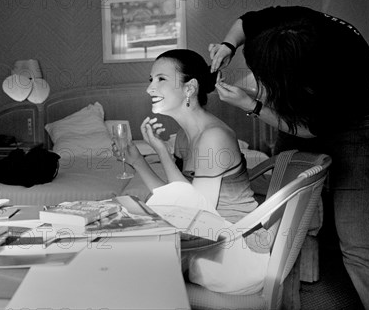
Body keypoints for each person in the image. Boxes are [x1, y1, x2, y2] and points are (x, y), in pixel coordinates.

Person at [209, 5, 369, 308]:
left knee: (357, 240)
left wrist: (254, 106)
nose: (264, 89)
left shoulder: (348, 73)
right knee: (287, 210)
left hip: (352, 123)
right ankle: (296, 280)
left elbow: (310, 129)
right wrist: (228, 45)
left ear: (301, 83)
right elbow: (245, 22)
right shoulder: (275, 30)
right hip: (306, 107)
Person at [115, 49, 269, 294]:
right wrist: (137, 161)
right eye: (151, 80)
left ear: (190, 88)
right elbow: (177, 195)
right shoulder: (184, 138)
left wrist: (162, 151)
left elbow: (196, 209)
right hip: (206, 241)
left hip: (235, 253)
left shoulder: (213, 137)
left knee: (131, 257)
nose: (150, 89)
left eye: (161, 79)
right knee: (126, 249)